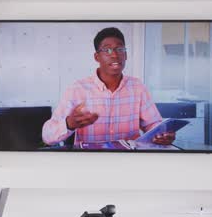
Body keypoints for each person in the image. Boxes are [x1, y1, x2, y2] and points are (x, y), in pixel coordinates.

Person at [41, 27, 175, 147]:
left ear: (126, 55)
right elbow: (47, 136)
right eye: (107, 50)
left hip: (130, 162)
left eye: (120, 49)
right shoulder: (77, 89)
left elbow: (153, 125)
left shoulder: (137, 87)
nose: (115, 55)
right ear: (96, 57)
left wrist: (162, 135)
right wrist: (69, 124)